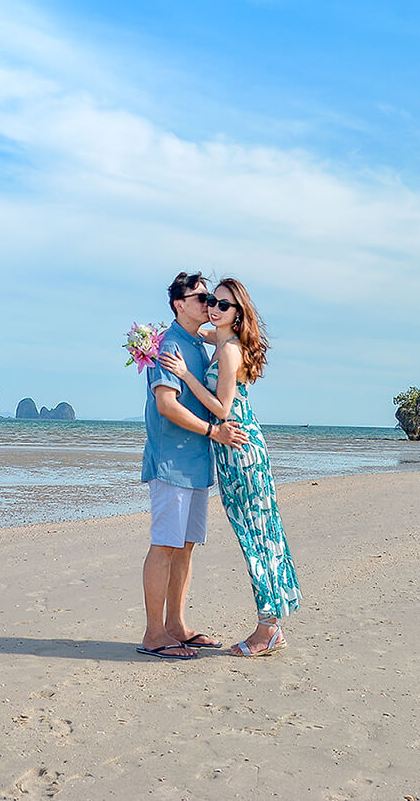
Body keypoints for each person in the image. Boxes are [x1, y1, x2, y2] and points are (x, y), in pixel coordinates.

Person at [158, 276, 300, 657]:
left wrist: (186, 375)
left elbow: (222, 409)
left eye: (221, 304)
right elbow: (191, 331)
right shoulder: (218, 342)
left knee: (257, 535)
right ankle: (270, 625)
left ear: (237, 315)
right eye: (209, 301)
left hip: (239, 447)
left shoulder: (230, 351)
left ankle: (268, 628)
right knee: (256, 532)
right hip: (231, 447)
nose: (212, 309)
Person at [139, 272, 248, 661]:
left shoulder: (198, 344)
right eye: (201, 297)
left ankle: (176, 626)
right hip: (172, 461)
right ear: (178, 305)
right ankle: (154, 634)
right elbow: (166, 404)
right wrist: (212, 430)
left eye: (211, 298)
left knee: (184, 547)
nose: (208, 303)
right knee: (165, 545)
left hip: (196, 462)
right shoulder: (171, 345)